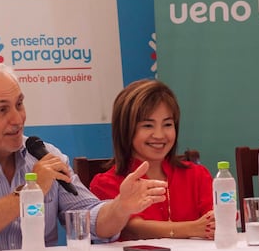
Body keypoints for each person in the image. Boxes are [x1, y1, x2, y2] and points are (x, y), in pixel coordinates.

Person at [0, 63, 167, 251]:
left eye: (19, 104)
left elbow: (88, 219)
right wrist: (29, 192)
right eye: (2, 109)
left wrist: (120, 207)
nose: (17, 119)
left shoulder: (47, 155)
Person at [90, 79, 214, 240]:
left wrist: (220, 220)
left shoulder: (197, 174)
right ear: (125, 129)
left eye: (168, 124)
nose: (159, 135)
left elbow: (215, 217)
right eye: (148, 126)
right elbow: (136, 228)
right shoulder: (106, 183)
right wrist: (193, 228)